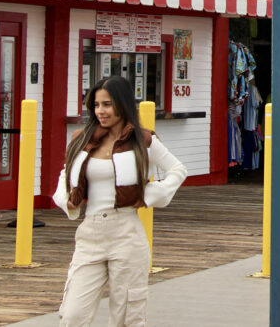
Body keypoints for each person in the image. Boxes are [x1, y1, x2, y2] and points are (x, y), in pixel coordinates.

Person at [53, 76, 188, 326]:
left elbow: (177, 170)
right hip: (90, 233)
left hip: (126, 233)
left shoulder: (143, 140)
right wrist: (67, 201)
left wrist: (149, 195)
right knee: (72, 316)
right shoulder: (82, 139)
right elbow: (65, 174)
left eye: (107, 104)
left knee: (126, 317)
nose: (100, 111)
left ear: (123, 104)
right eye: (96, 105)